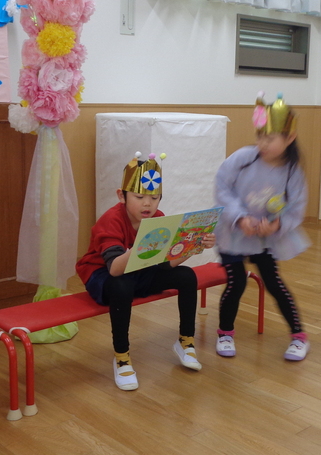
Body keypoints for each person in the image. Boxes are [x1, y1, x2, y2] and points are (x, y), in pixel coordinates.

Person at [76, 153, 216, 391]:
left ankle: (185, 341)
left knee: (186, 276)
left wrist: (195, 247)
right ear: (122, 195)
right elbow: (115, 269)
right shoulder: (111, 220)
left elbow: (165, 265)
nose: (147, 204)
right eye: (139, 197)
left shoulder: (158, 218)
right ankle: (121, 357)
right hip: (103, 275)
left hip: (137, 271)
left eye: (154, 197)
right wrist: (139, 247)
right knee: (122, 286)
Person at [214, 93, 311, 360]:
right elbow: (222, 186)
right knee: (236, 283)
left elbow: (296, 207)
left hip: (264, 238)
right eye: (260, 137)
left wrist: (277, 225)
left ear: (289, 138)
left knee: (274, 283)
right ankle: (225, 333)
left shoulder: (292, 171)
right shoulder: (243, 158)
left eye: (270, 138)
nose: (262, 144)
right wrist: (239, 217)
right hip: (233, 233)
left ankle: (299, 337)